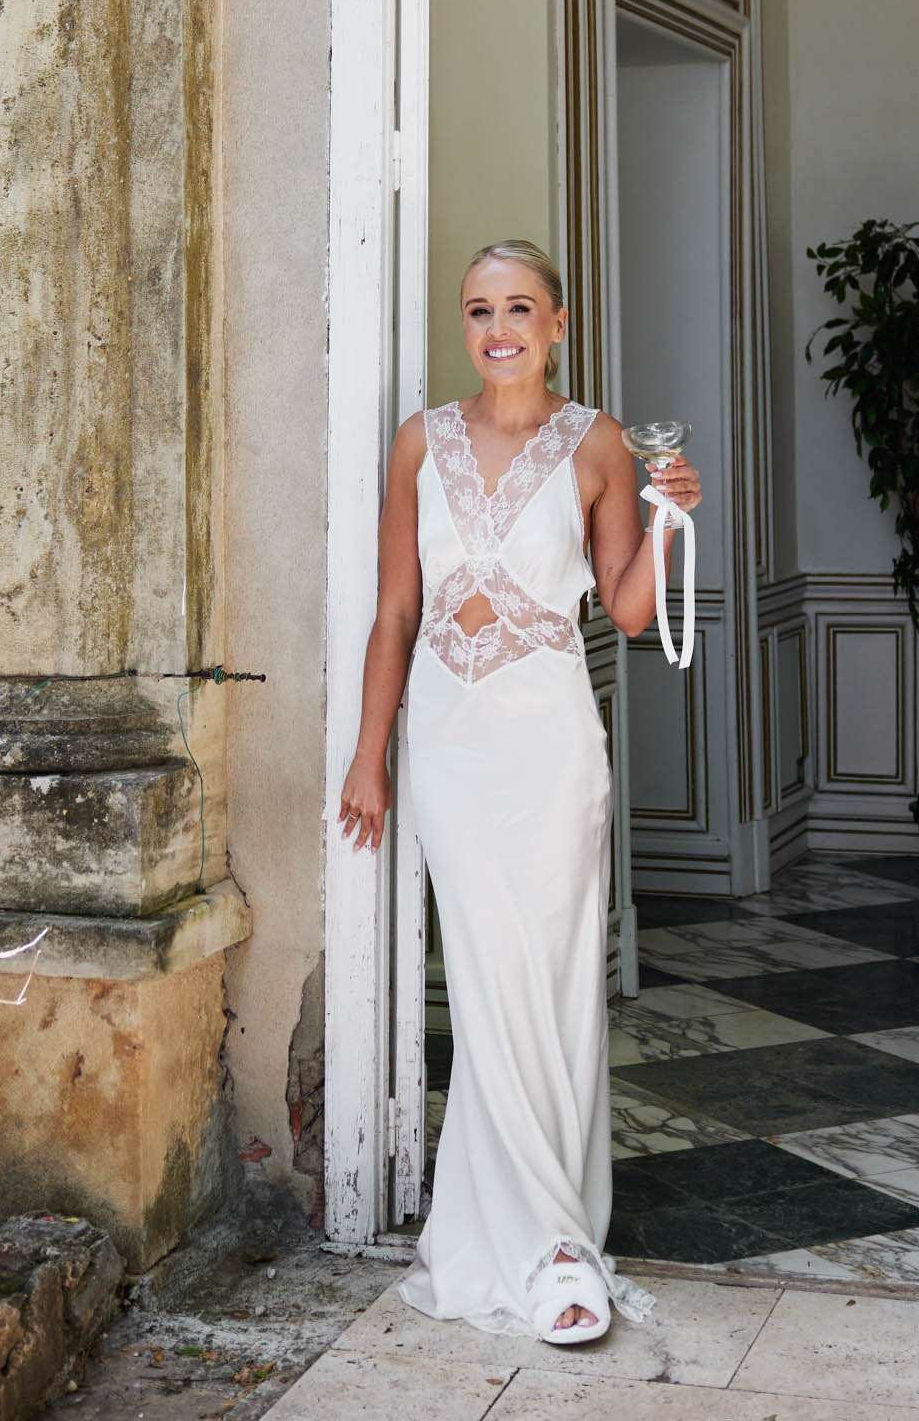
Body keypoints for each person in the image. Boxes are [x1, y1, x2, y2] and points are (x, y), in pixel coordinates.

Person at [338, 238, 702, 1344]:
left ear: (557, 322)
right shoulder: (419, 442)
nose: (497, 329)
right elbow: (397, 610)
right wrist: (371, 752)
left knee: (549, 985)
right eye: (479, 310)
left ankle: (554, 1238)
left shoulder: (594, 442)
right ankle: (540, 1244)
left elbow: (631, 611)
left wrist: (673, 515)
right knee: (491, 980)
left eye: (519, 308)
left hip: (551, 750)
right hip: (449, 747)